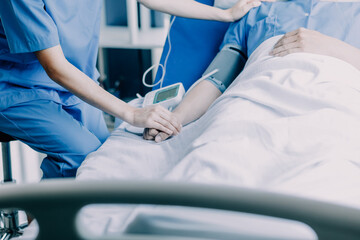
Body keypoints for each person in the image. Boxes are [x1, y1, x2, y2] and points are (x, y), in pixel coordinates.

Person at [0, 0, 269, 178]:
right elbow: (55, 67)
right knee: (81, 156)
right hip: (16, 88)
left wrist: (224, 14)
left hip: (76, 84)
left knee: (103, 157)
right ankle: (46, 231)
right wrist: (132, 113)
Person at [144, 0, 360, 142]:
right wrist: (174, 118)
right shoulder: (256, 10)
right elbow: (216, 79)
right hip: (251, 108)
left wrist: (332, 48)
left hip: (332, 110)